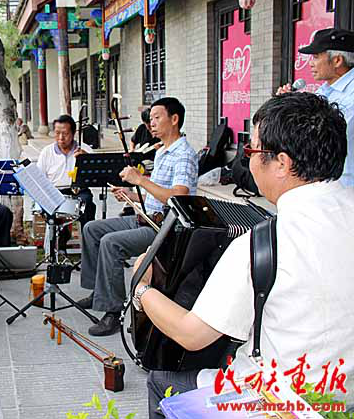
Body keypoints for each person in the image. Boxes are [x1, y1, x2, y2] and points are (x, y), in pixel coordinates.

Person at [141, 92, 354, 418]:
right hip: (346, 392)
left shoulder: (263, 244)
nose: (248, 162)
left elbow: (191, 334)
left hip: (286, 400)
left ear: (282, 163)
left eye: (252, 151)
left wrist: (142, 287)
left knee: (160, 382)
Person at [78, 97, 198, 336]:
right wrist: (131, 194)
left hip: (167, 227)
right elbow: (156, 192)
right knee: (91, 229)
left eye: (157, 117)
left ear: (174, 119)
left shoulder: (183, 154)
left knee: (111, 243)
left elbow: (179, 197)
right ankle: (99, 292)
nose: (151, 123)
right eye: (150, 118)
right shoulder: (162, 151)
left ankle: (113, 312)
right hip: (146, 216)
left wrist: (140, 180)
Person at [277, 28, 354, 187]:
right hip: (326, 183)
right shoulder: (324, 90)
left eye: (316, 57)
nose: (311, 63)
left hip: (347, 185)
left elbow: (324, 135)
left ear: (337, 60)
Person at [36, 114, 96, 252]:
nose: (61, 138)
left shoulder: (84, 149)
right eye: (57, 133)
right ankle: (57, 247)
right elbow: (40, 179)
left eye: (65, 134)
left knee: (87, 204)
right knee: (52, 209)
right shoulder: (47, 152)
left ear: (73, 133)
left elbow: (94, 177)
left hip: (79, 191)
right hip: (55, 191)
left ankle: (89, 248)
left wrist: (86, 160)